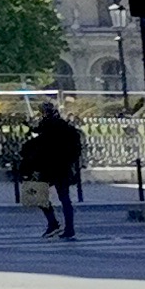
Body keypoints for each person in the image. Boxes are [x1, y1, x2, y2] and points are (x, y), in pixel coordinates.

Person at [13, 101, 86, 240]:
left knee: (37, 193)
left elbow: (38, 145)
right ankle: (68, 228)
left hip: (48, 167)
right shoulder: (65, 128)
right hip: (63, 168)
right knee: (64, 198)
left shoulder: (48, 128)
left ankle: (53, 223)